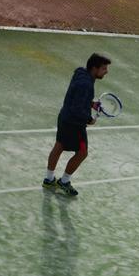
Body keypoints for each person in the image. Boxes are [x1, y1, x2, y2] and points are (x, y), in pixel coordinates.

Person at [43, 54, 111, 197]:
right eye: (104, 68)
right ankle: (64, 181)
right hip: (74, 124)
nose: (106, 71)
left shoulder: (81, 73)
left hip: (64, 117)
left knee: (59, 146)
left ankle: (49, 179)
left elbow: (76, 97)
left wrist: (90, 103)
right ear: (94, 68)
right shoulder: (87, 85)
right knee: (82, 153)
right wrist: (89, 119)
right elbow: (77, 108)